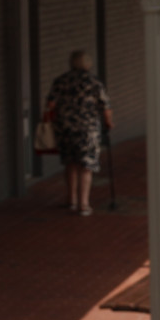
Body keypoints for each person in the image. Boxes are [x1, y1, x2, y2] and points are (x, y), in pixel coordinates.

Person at [43, 50, 113, 217]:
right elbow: (105, 106)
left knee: (70, 163)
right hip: (87, 129)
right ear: (88, 64)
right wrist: (109, 123)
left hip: (65, 128)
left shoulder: (61, 80)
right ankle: (84, 204)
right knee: (86, 166)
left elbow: (50, 103)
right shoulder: (93, 82)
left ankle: (71, 199)